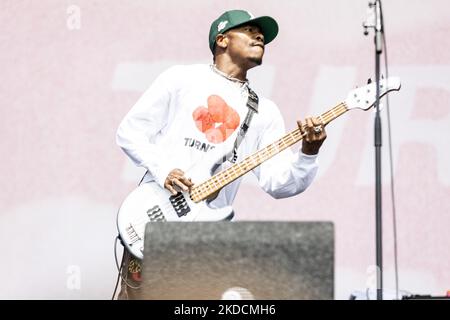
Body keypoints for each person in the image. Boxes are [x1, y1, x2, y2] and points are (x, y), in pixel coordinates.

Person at [114, 9, 327, 300]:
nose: (260, 36)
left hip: (206, 235)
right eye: (249, 31)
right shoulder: (181, 78)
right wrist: (164, 171)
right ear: (222, 40)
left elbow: (279, 183)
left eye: (261, 34)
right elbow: (130, 131)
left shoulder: (264, 112)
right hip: (155, 220)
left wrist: (308, 153)